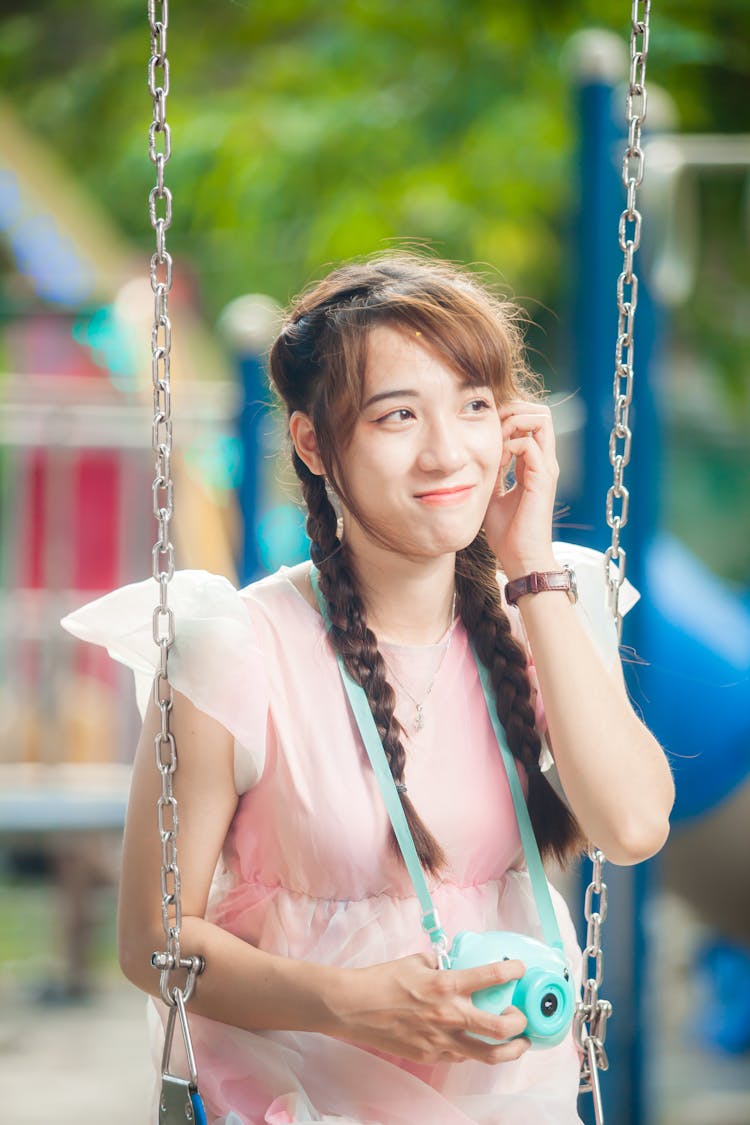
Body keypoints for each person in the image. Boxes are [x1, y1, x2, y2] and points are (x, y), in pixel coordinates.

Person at [61, 251, 674, 1125]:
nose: (447, 451)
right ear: (314, 441)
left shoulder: (548, 602)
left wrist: (530, 565)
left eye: (473, 406)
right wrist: (353, 1002)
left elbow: (634, 825)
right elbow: (152, 940)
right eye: (397, 415)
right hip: (305, 1097)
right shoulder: (233, 646)